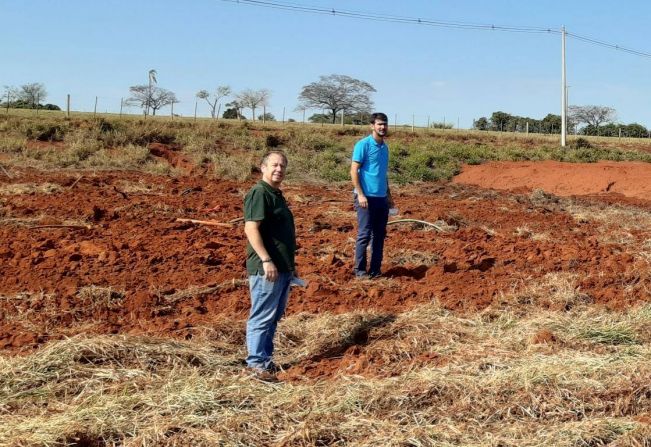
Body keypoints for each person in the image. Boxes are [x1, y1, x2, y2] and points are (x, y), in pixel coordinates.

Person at [243, 151, 296, 381]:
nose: (279, 169)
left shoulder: (276, 194)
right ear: (262, 167)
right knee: (262, 316)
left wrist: (290, 266)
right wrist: (266, 259)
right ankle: (256, 364)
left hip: (282, 268)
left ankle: (264, 359)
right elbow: (251, 228)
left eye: (282, 166)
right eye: (274, 165)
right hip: (267, 268)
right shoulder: (259, 193)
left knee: (273, 316)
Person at [350, 112, 394, 278]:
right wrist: (360, 194)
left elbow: (383, 174)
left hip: (381, 198)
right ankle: (360, 271)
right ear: (372, 126)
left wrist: (388, 196)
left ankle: (376, 270)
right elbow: (354, 170)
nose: (382, 127)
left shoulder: (385, 147)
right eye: (379, 124)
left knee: (379, 234)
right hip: (365, 197)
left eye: (385, 124)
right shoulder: (363, 145)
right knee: (364, 234)